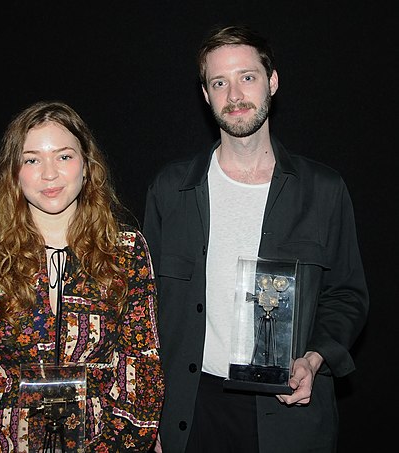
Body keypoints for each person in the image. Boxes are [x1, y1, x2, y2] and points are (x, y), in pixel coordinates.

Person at [143, 24, 369, 453]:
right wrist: (148, 412)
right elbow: (143, 312)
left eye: (247, 77)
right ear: (205, 94)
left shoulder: (323, 190)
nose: (235, 95)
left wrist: (314, 357)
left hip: (288, 415)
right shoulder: (170, 190)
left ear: (272, 82)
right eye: (219, 82)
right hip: (191, 414)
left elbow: (347, 295)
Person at [0, 100, 165, 452]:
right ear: (13, 172)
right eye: (32, 159)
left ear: (87, 166)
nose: (49, 174)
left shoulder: (126, 250)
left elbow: (143, 368)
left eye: (64, 156)